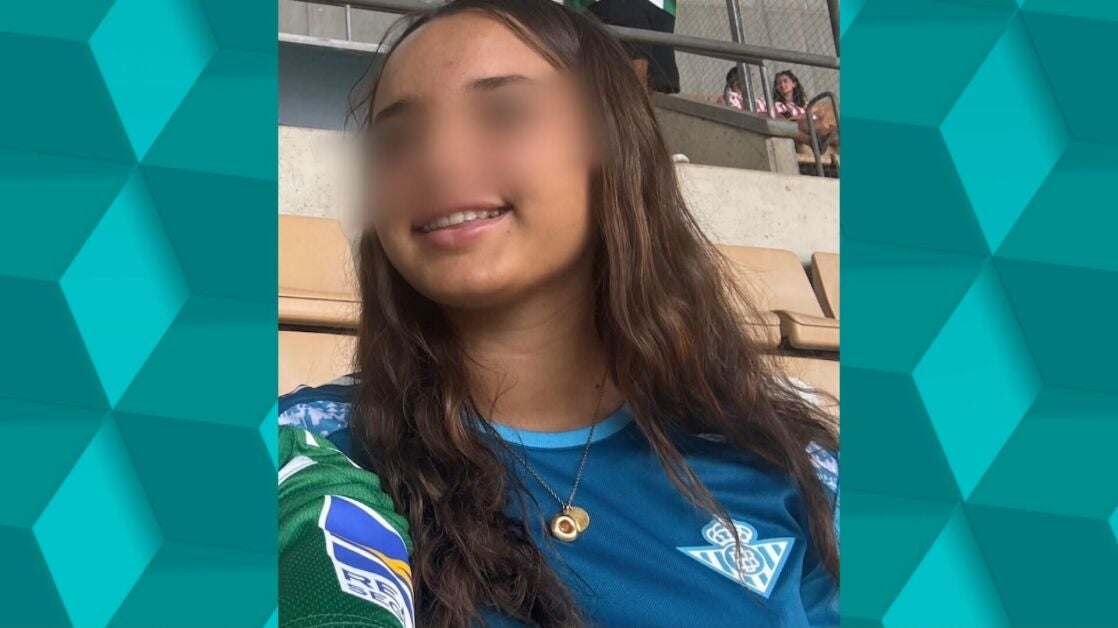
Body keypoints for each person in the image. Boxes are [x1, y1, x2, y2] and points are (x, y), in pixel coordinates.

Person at [281, 0, 839, 626]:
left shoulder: (793, 473)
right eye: (398, 138)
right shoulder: (303, 457)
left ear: (612, 149)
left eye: (504, 112)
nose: (437, 160)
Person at [565, 0, 680, 93]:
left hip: (662, 8)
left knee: (650, 81)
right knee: (631, 73)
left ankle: (636, 115)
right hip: (616, 4)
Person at [724, 67, 808, 120]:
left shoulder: (759, 100)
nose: (782, 85)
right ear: (736, 82)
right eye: (747, 78)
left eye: (785, 81)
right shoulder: (730, 97)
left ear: (794, 83)